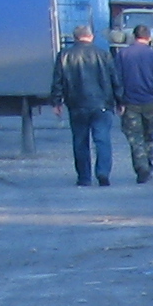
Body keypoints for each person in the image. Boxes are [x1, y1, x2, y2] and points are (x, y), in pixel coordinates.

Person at [49, 23, 118, 188]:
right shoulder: (104, 55)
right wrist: (120, 101)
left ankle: (84, 177)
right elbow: (114, 79)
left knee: (80, 141)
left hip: (76, 104)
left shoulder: (64, 55)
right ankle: (103, 173)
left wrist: (56, 102)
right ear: (91, 36)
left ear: (75, 38)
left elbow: (58, 81)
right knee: (102, 140)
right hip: (102, 104)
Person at [113, 24, 153, 183]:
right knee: (149, 135)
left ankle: (141, 167)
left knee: (135, 137)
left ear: (133, 36)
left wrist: (118, 101)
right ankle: (148, 164)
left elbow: (116, 80)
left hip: (130, 103)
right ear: (149, 37)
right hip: (151, 102)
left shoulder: (123, 55)